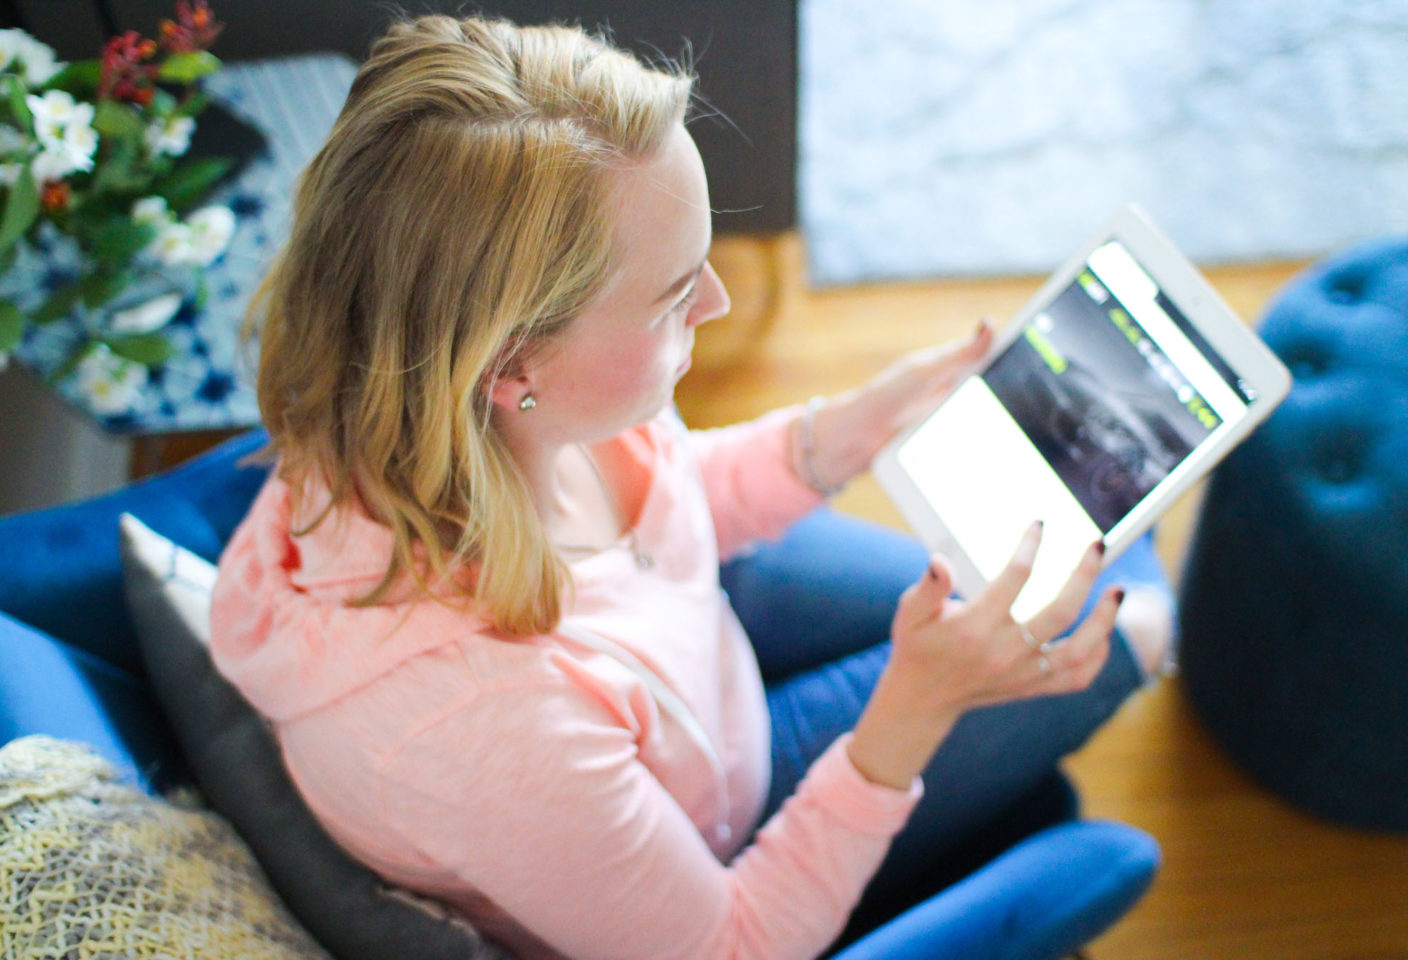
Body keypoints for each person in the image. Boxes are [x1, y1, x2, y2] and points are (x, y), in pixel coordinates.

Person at [209, 14, 1171, 960]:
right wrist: (912, 712)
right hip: (726, 829)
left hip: (702, 677)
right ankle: (1152, 572)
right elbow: (733, 944)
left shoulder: (449, 407)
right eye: (676, 294)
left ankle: (1129, 534)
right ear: (512, 366)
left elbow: (665, 502)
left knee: (1064, 562)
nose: (714, 302)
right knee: (1135, 620)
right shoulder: (486, 732)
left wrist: (834, 436)